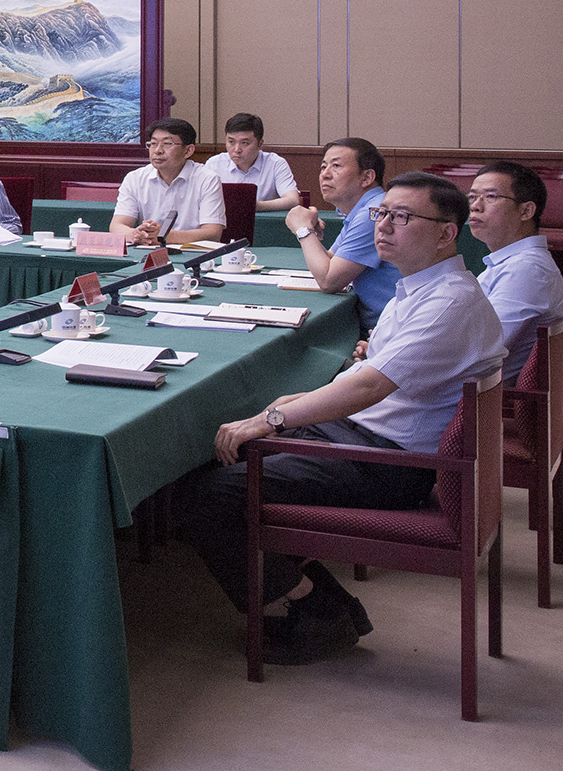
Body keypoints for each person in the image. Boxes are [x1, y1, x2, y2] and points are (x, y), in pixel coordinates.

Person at [175, 172, 504, 665]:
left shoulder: (449, 301)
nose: (383, 226)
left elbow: (369, 387)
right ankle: (330, 604)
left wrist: (274, 417)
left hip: (388, 463)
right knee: (216, 457)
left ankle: (315, 612)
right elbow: (369, 374)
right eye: (381, 213)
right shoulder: (421, 287)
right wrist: (296, 405)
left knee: (211, 495)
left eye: (402, 217)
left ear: (445, 233)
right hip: (366, 436)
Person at [285, 137, 401, 328]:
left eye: (336, 166)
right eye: (323, 167)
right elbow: (330, 260)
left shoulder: (374, 213)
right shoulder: (364, 208)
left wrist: (303, 229)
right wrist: (309, 233)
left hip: (390, 331)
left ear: (367, 177)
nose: (325, 174)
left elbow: (329, 281)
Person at [467, 160, 563, 381]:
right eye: (472, 197)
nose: (475, 206)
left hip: (477, 396)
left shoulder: (528, 270)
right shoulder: (509, 263)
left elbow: (480, 350)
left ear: (526, 211)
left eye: (490, 197)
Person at [111, 117, 225, 245]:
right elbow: (117, 226)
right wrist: (136, 234)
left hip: (192, 252)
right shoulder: (135, 178)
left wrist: (163, 236)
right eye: (153, 143)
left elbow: (212, 233)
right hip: (149, 250)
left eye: (167, 144)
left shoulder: (207, 179)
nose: (158, 150)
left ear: (188, 150)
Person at [205, 112, 301, 211]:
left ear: (260, 144)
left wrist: (256, 206)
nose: (237, 149)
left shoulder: (275, 163)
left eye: (244, 143)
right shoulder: (214, 164)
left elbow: (293, 200)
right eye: (231, 142)